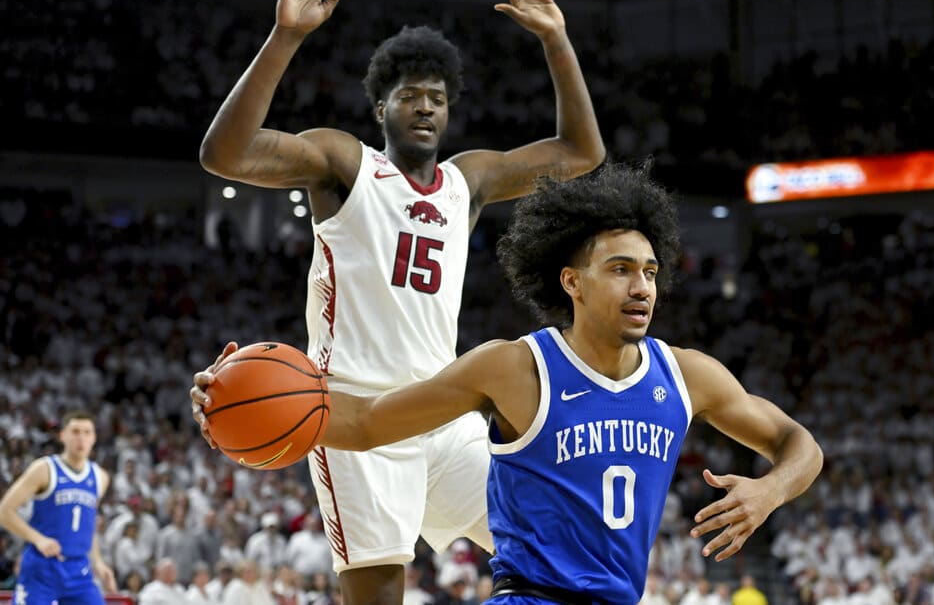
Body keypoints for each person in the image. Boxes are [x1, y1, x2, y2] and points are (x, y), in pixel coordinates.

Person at [194, 165, 823, 604]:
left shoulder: (686, 375)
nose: (643, 288)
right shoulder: (515, 369)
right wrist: (238, 404)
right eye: (621, 270)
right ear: (572, 282)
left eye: (652, 272)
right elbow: (365, 422)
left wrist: (770, 490)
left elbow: (800, 444)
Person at [194, 0, 604, 605]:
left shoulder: (467, 181)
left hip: (443, 410)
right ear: (380, 109)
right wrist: (284, 35)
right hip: (353, 413)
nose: (425, 106)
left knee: (559, 549)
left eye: (437, 98)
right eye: (410, 95)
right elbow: (226, 152)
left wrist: (556, 40)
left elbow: (581, 151)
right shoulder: (345, 163)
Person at [0, 411, 118, 604]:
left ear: (94, 437)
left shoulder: (100, 477)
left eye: (87, 432)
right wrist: (38, 539)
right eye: (75, 431)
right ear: (62, 435)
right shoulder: (44, 469)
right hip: (42, 569)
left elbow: (88, 526)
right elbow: (4, 512)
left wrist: (98, 561)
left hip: (79, 570)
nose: (81, 438)